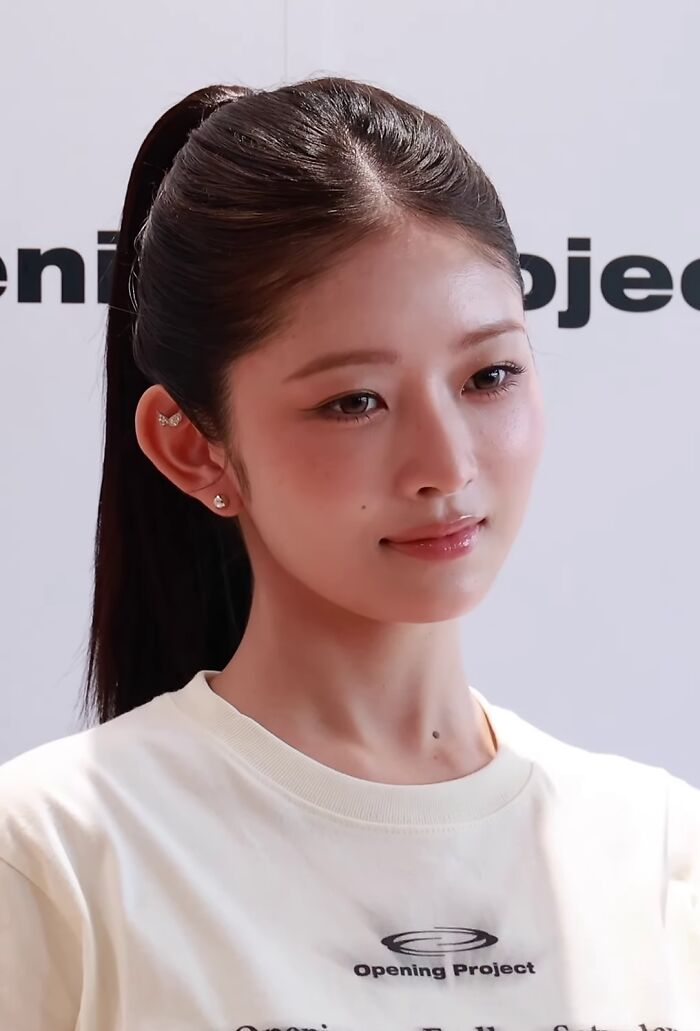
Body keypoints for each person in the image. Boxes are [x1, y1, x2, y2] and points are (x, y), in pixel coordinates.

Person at [1, 76, 698, 1031]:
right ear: (190, 443)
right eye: (353, 401)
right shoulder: (53, 856)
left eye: (489, 375)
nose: (445, 465)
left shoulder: (658, 853)